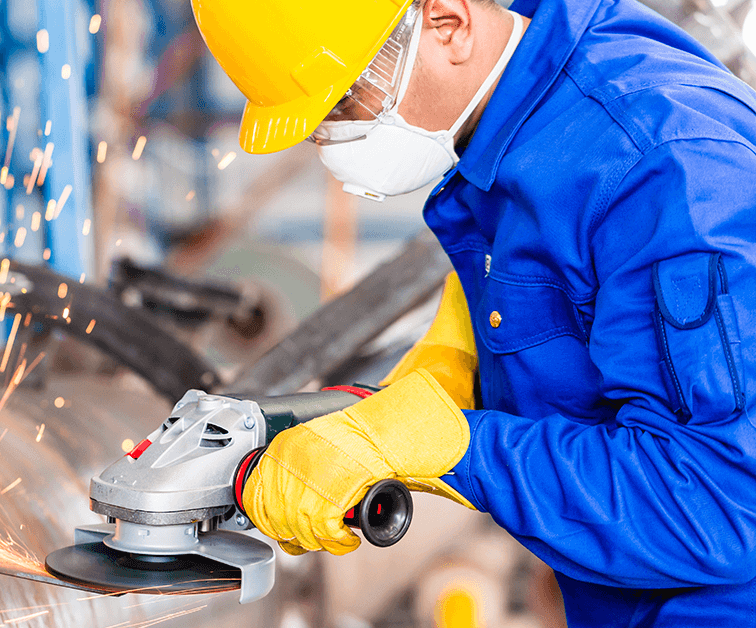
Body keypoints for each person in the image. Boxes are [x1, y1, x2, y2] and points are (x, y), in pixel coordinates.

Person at [191, 0, 756, 624]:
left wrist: (457, 447)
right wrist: (470, 361)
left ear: (448, 24)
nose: (334, 144)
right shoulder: (530, 125)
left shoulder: (662, 168)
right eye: (317, 125)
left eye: (345, 104)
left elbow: (721, 504)